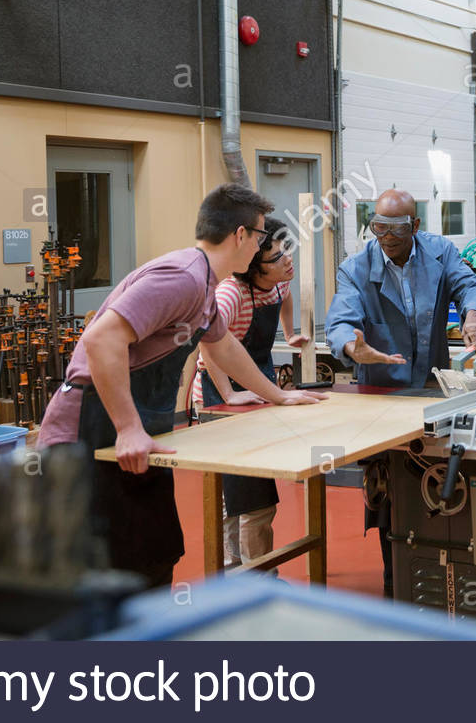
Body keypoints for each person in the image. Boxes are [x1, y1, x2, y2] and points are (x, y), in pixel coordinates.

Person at [35, 184, 327, 588]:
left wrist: (278, 394)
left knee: (155, 553)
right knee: (99, 567)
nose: (264, 245)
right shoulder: (183, 277)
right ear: (241, 236)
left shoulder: (204, 286)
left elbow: (222, 345)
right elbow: (101, 339)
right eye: (262, 236)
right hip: (91, 431)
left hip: (137, 432)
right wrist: (128, 427)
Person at [325, 188, 476, 595]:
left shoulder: (438, 252)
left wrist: (473, 314)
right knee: (387, 494)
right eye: (377, 226)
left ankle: (439, 574)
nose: (384, 236)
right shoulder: (355, 268)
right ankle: (394, 583)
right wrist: (352, 346)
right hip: (381, 398)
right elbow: (340, 318)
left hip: (431, 393)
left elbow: (471, 285)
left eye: (395, 229)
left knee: (434, 486)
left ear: (415, 226)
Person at [189, 217, 309, 572]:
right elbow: (207, 344)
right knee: (247, 495)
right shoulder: (231, 294)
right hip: (217, 391)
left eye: (287, 250)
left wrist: (290, 334)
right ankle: (253, 576)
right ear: (254, 266)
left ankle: (242, 570)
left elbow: (284, 299)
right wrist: (229, 394)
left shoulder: (275, 285)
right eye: (276, 256)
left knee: (248, 491)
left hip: (255, 384)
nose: (288, 260)